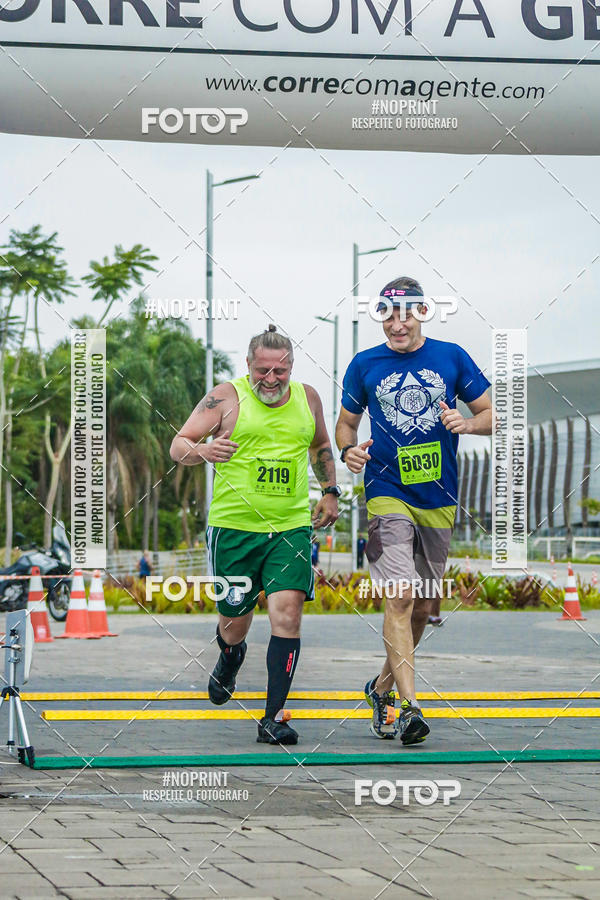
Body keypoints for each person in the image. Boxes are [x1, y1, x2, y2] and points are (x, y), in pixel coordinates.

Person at [336, 277, 492, 745]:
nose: (396, 322)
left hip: (439, 496)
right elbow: (346, 424)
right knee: (400, 595)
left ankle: (381, 689)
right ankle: (409, 708)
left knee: (422, 605)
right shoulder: (364, 364)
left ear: (424, 312)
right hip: (386, 489)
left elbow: (490, 414)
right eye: (387, 313)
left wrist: (467, 422)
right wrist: (348, 453)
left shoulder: (451, 356)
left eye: (406, 313)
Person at [170, 325, 340, 745]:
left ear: (291, 368)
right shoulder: (226, 397)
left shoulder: (309, 398)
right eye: (262, 370)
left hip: (290, 528)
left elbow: (320, 446)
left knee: (287, 614)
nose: (271, 379)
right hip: (234, 530)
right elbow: (178, 444)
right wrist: (203, 451)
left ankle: (274, 718)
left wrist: (330, 492)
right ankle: (230, 656)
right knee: (234, 624)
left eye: (280, 371)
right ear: (248, 365)